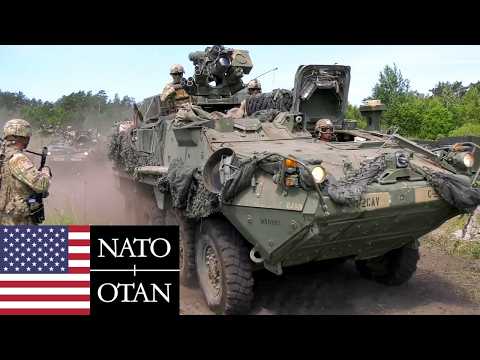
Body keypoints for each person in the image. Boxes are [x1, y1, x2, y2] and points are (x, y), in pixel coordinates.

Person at [0, 119, 51, 225]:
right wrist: (46, 171)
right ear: (24, 137)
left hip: (6, 214)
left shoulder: (3, 156)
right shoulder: (17, 159)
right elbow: (41, 185)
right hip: (18, 219)